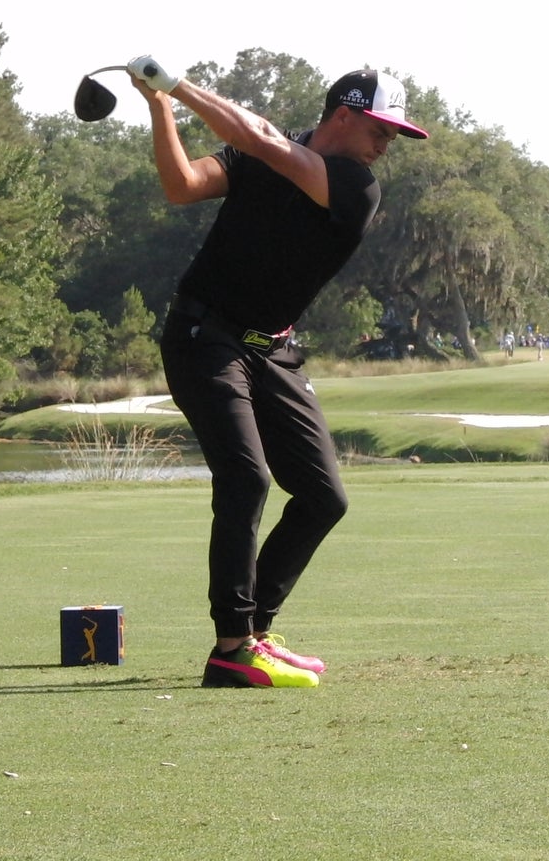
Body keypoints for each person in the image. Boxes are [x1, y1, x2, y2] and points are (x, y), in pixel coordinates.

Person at [131, 56, 428, 690]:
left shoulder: (355, 187)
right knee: (246, 478)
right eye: (379, 130)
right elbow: (183, 184)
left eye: (393, 136)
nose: (385, 145)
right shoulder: (261, 156)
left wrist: (175, 84)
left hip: (273, 350)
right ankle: (232, 649)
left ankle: (254, 632)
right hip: (203, 337)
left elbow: (260, 140)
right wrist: (161, 105)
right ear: (343, 115)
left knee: (323, 497)